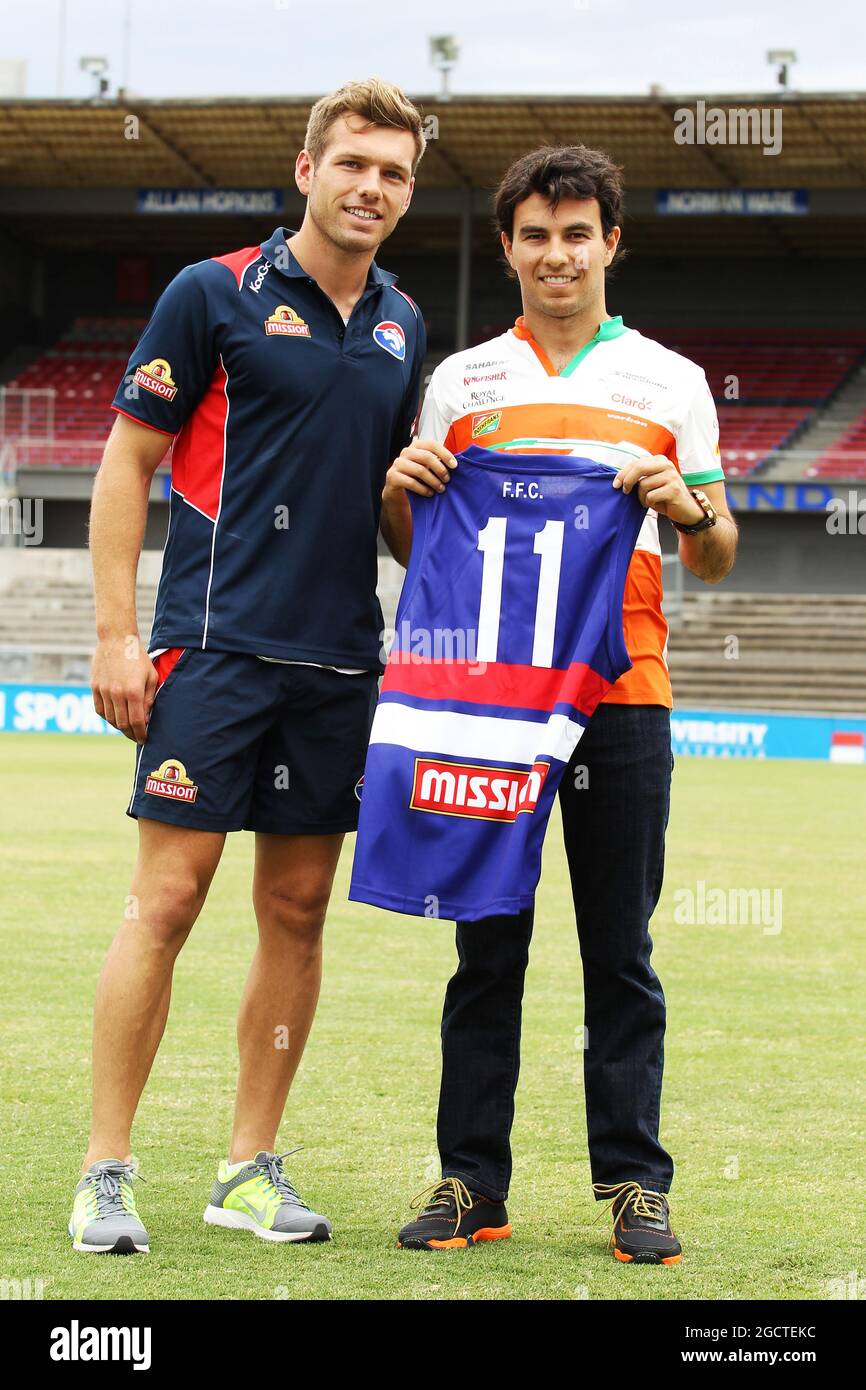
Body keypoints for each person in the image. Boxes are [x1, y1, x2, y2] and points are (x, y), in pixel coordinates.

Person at [70, 78, 427, 1255]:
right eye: (353, 163)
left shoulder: (401, 326)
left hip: (336, 666)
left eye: (394, 172)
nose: (371, 186)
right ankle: (106, 1169)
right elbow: (127, 465)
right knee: (165, 901)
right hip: (212, 652)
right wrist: (119, 633)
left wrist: (412, 511)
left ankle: (247, 1168)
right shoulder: (211, 292)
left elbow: (385, 513)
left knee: (298, 910)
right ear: (306, 168)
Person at [379, 143, 738, 1263]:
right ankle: (467, 1180)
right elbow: (420, 551)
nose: (555, 253)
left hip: (623, 692)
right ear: (507, 247)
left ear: (609, 243)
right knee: (485, 944)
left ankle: (633, 1181)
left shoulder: (670, 383)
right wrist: (399, 494)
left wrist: (686, 507)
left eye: (575, 233)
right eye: (533, 234)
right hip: (488, 702)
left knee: (616, 950)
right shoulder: (462, 384)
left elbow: (717, 555)